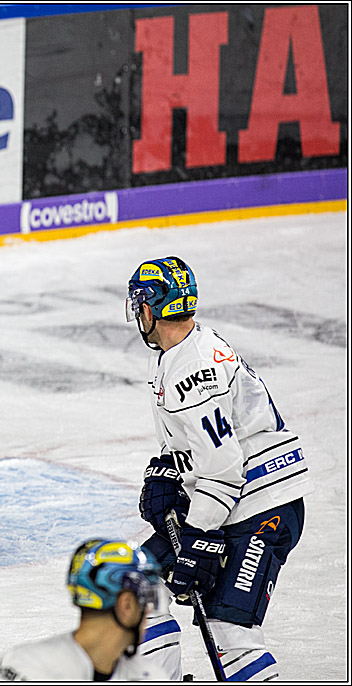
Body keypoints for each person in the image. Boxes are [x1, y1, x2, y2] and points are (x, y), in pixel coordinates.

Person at [126, 256, 311, 681]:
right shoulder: (185, 350)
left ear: (152, 307)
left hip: (262, 507)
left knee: (229, 630)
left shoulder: (194, 369)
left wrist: (198, 538)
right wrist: (167, 471)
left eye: (140, 304)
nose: (138, 314)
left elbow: (224, 467)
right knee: (135, 581)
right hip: (233, 502)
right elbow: (206, 448)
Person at [0, 539, 168, 681]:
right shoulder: (30, 670)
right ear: (127, 605)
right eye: (146, 600)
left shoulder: (26, 663)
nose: (148, 611)